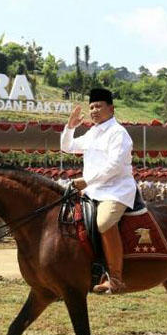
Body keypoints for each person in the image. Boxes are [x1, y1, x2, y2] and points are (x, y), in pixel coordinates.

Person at [60, 88, 136, 294]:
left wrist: (87, 181)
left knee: (103, 222)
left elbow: (115, 166)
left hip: (116, 191)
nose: (94, 110)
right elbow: (67, 147)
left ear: (111, 108)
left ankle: (115, 278)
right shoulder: (92, 132)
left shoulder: (118, 133)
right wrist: (70, 127)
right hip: (93, 190)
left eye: (98, 106)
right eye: (91, 107)